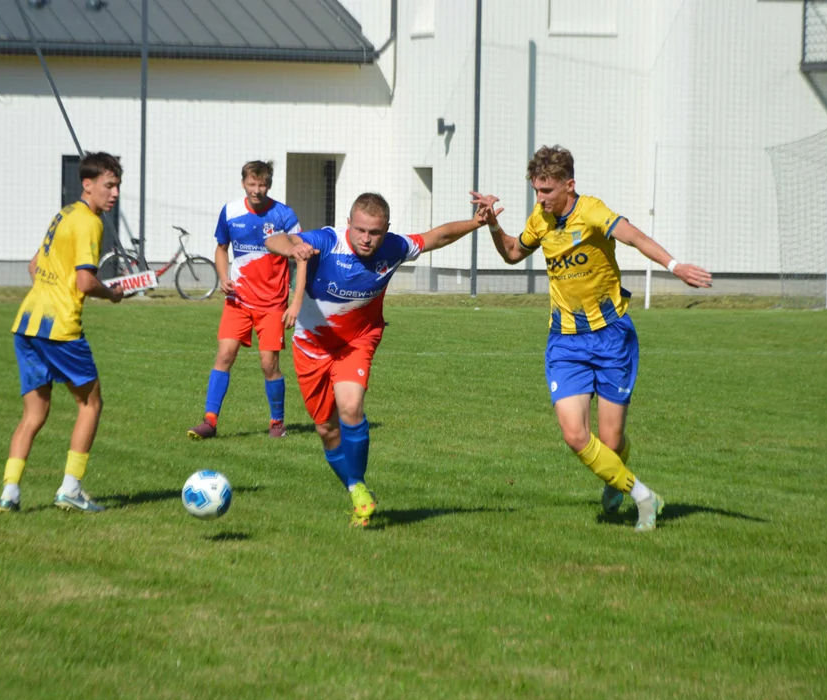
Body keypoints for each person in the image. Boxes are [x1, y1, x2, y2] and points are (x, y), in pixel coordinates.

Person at [472, 145, 713, 532]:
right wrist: (492, 226)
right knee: (574, 435)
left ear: (569, 185)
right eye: (536, 190)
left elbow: (634, 236)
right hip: (565, 341)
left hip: (611, 336)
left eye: (546, 191)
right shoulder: (541, 218)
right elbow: (514, 254)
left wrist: (674, 266)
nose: (540, 199)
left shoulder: (593, 211)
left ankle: (616, 478)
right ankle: (644, 497)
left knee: (611, 441)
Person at [264, 192, 490, 527]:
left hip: (358, 340)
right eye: (361, 230)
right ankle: (357, 488)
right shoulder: (328, 240)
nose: (367, 239)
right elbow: (275, 239)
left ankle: (358, 494)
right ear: (348, 224)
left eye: (375, 232)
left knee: (351, 407)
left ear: (386, 230)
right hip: (312, 345)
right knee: (326, 429)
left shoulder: (394, 248)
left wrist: (476, 222)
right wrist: (293, 248)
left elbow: (436, 236)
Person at [0, 152, 126, 514]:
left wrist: (52, 291)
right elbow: (85, 281)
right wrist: (112, 294)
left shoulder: (63, 214)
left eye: (117, 186)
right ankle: (71, 488)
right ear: (87, 185)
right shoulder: (89, 222)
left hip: (26, 324)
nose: (114, 193)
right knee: (91, 403)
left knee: (34, 415)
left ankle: (10, 493)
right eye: (108, 185)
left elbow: (34, 265)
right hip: (59, 329)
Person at [188, 160, 305, 440]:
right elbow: (221, 248)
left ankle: (277, 422)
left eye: (262, 184)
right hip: (238, 300)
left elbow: (301, 258)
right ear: (243, 183)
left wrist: (295, 301)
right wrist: (222, 275)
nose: (257, 190)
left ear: (269, 185)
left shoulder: (284, 215)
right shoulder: (230, 211)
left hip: (272, 304)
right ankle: (209, 421)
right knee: (225, 354)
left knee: (268, 364)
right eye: (252, 184)